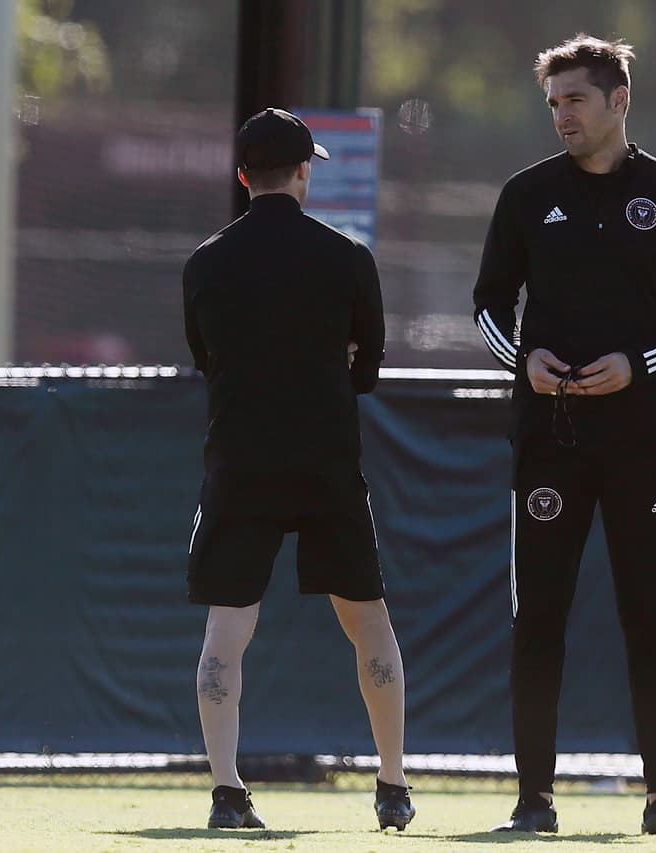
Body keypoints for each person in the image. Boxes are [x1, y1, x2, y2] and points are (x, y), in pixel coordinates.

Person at [473, 35, 656, 837]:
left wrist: (638, 365)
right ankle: (533, 800)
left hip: (643, 440)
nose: (561, 116)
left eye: (575, 100)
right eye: (553, 103)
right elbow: (487, 302)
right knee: (537, 617)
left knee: (650, 616)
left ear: (619, 101)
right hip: (549, 438)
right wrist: (527, 360)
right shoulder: (524, 195)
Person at [182, 108, 413, 832]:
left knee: (228, 627)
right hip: (324, 460)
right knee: (368, 620)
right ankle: (392, 784)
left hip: (241, 458)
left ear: (243, 174)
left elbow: (204, 360)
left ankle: (226, 791)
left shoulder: (206, 260)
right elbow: (367, 368)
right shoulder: (346, 256)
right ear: (304, 172)